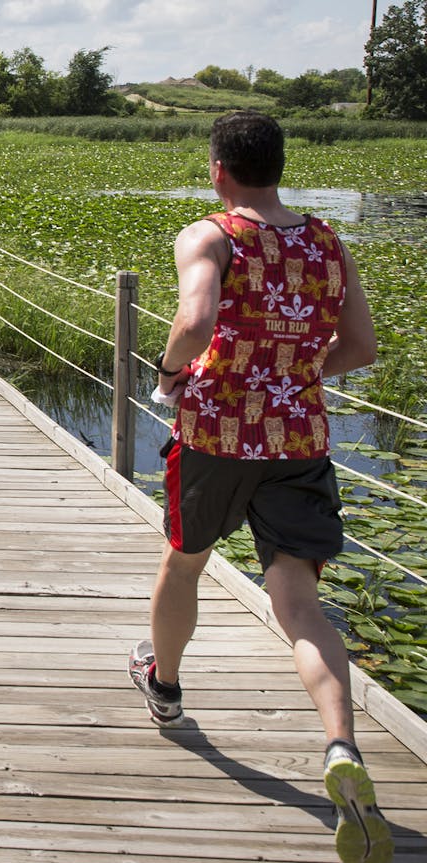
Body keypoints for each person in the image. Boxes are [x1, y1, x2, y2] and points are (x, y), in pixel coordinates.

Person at [127, 111, 390, 863]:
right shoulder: (326, 240)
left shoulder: (210, 235)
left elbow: (196, 316)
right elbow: (362, 346)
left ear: (217, 168)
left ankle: (166, 686)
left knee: (184, 560)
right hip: (298, 438)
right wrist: (293, 374)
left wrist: (172, 374)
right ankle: (342, 744)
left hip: (214, 436)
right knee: (301, 603)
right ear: (278, 165)